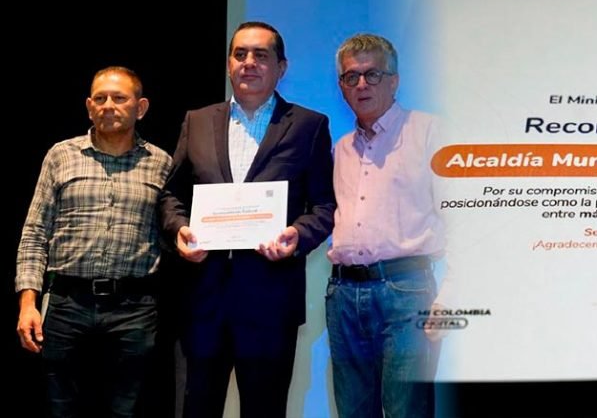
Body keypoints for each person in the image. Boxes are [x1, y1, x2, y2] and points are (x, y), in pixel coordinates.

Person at [159, 21, 335, 417]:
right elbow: (172, 194)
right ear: (228, 64)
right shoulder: (197, 121)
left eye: (261, 55)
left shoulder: (309, 126)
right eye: (240, 54)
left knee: (264, 409)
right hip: (203, 300)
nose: (249, 62)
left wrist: (298, 234)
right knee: (196, 407)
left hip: (270, 302)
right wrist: (179, 229)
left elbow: (324, 205)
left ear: (281, 67)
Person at [15, 66, 171, 417]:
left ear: (141, 108)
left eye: (119, 98)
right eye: (100, 98)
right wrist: (28, 304)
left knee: (125, 411)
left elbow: (172, 232)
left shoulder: (161, 163)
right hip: (67, 305)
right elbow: (35, 233)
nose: (108, 105)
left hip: (133, 309)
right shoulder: (61, 155)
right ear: (89, 107)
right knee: (62, 409)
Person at [327, 33, 449, 417]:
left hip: (407, 293)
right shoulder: (341, 149)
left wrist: (451, 296)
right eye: (351, 77)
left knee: (405, 411)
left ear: (394, 81)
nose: (361, 84)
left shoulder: (430, 133)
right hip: (343, 296)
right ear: (342, 86)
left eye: (373, 74)